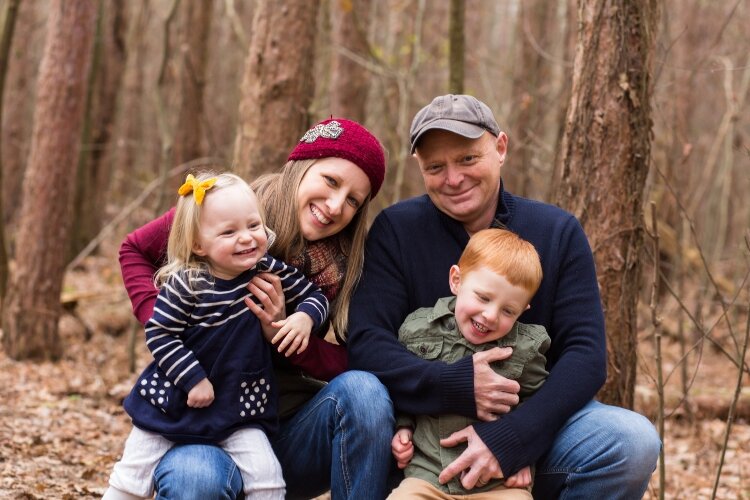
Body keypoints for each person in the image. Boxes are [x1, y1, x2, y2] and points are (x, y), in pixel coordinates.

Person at [347, 94, 661, 499]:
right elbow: (368, 343)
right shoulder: (397, 229)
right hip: (421, 447)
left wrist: (512, 439)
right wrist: (453, 385)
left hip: (530, 436)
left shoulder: (556, 231)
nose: (453, 178)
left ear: (500, 148)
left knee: (631, 441)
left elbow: (586, 357)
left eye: (467, 159)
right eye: (435, 167)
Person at [118, 118, 393, 499]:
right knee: (196, 478)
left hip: (283, 430)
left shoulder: (348, 264)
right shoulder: (228, 209)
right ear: (301, 165)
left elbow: (355, 359)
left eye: (352, 200)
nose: (334, 206)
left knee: (365, 390)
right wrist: (168, 325)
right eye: (330, 181)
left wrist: (284, 332)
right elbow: (134, 250)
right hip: (203, 426)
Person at [105, 172, 332, 500]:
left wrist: (303, 318)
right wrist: (193, 378)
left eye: (253, 226)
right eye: (229, 232)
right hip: (174, 399)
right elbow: (160, 332)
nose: (246, 238)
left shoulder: (266, 269)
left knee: (268, 481)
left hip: (240, 404)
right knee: (130, 481)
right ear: (199, 243)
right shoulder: (186, 283)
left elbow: (317, 297)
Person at [389, 228, 550, 500]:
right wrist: (402, 427)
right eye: (483, 298)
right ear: (456, 280)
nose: (490, 315)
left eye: (508, 310)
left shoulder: (526, 349)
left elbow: (538, 408)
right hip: (427, 477)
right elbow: (405, 389)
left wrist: (523, 454)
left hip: (496, 485)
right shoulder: (419, 329)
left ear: (523, 311)